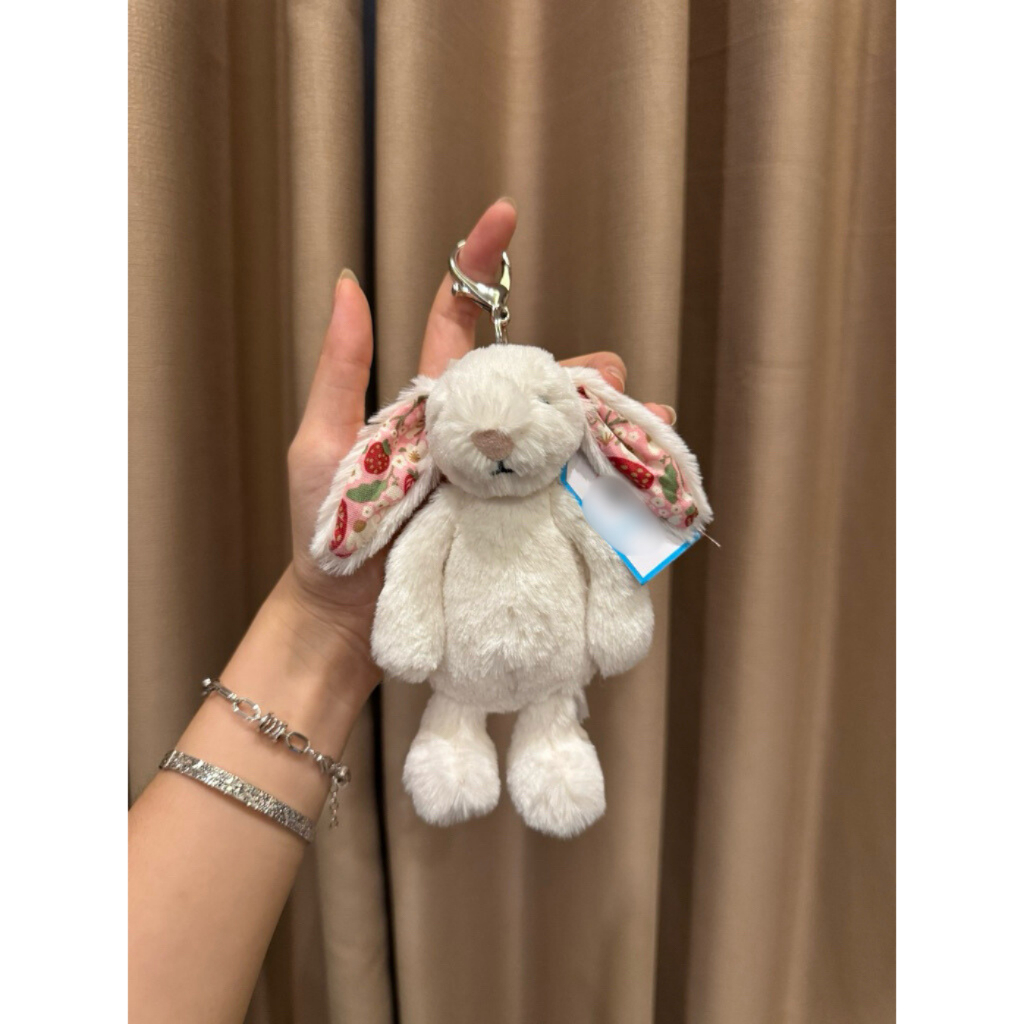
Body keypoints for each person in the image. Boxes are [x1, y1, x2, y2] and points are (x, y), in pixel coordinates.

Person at [127, 200, 676, 1023]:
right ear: (426, 430)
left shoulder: (569, 503)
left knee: (553, 720)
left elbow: (605, 562)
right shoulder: (440, 512)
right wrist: (346, 619)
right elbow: (412, 571)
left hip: (556, 670)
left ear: (578, 416)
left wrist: (617, 623)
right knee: (453, 714)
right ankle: (452, 735)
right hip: (458, 671)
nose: (496, 440)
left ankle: (552, 740)